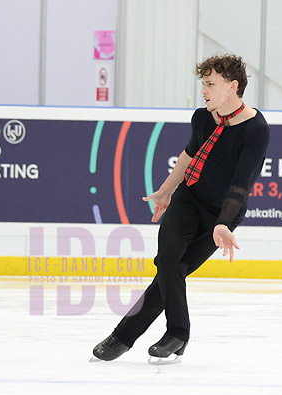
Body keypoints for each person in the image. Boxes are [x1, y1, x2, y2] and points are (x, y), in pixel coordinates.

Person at [92, 54, 270, 363]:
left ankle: (125, 336)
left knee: (173, 270)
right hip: (188, 200)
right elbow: (189, 155)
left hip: (221, 215)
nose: (204, 90)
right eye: (203, 83)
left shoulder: (255, 129)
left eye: (211, 84)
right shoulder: (202, 117)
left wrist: (223, 223)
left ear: (233, 86)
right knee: (169, 262)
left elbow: (241, 184)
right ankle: (176, 333)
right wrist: (165, 191)